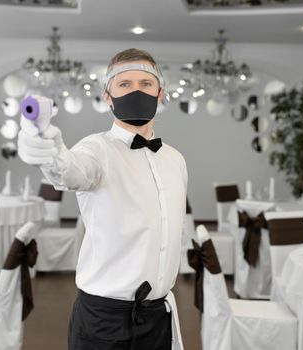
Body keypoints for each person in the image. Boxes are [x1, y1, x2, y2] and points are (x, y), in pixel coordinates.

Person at [18, 48, 187, 350]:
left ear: (160, 93)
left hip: (158, 317)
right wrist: (45, 147)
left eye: (145, 84)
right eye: (124, 84)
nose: (136, 91)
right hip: (104, 320)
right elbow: (68, 171)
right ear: (107, 96)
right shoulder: (96, 149)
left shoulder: (175, 159)